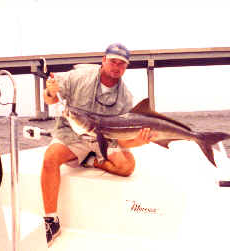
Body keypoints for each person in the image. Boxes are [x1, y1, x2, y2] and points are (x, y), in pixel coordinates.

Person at [42, 43, 154, 246]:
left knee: (127, 166)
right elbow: (51, 98)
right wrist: (50, 92)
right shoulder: (79, 76)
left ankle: (91, 161)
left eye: (122, 64)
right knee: (50, 158)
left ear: (126, 67)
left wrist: (137, 141)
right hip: (72, 135)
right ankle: (51, 220)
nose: (116, 66)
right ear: (104, 60)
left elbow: (121, 139)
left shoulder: (125, 98)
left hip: (105, 138)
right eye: (113, 61)